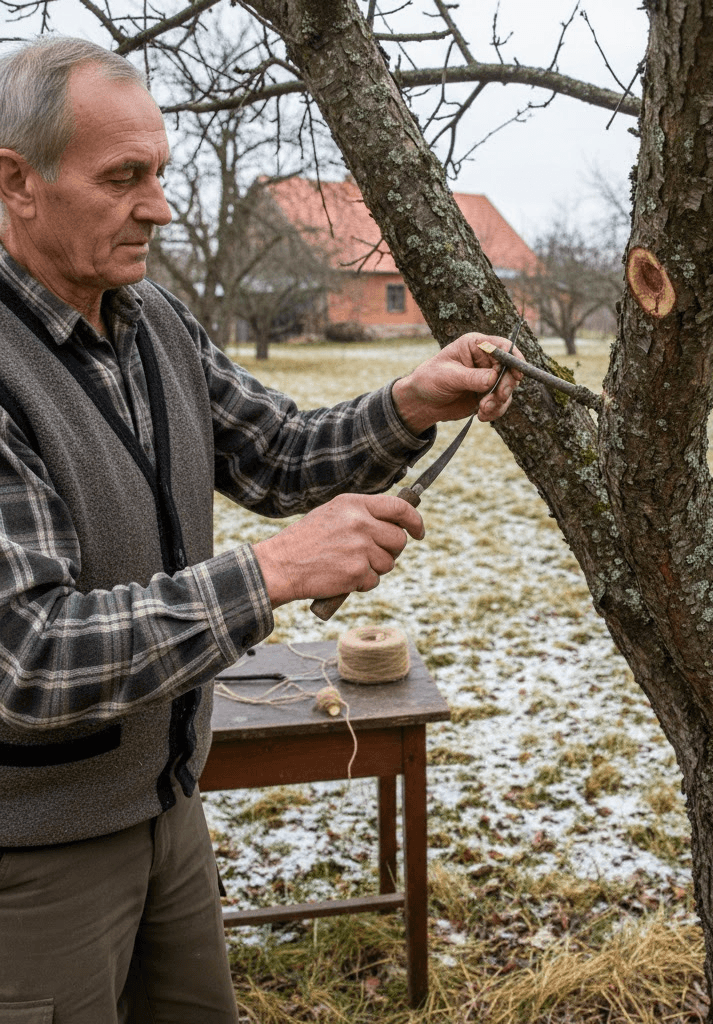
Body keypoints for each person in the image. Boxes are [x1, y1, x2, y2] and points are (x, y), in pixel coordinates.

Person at [0, 36, 519, 1022]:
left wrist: (412, 401)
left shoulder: (152, 320)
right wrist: (271, 573)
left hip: (167, 809)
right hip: (33, 860)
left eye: (160, 173)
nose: (159, 206)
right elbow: (28, 658)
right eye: (123, 178)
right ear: (16, 181)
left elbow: (279, 453)